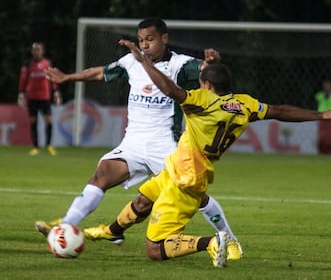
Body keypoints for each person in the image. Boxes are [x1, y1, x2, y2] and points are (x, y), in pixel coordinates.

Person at [112, 39, 331, 267]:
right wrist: (318, 115)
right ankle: (113, 230)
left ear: (206, 85)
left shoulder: (202, 101)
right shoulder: (245, 104)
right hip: (201, 167)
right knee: (152, 200)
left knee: (154, 248)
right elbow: (280, 110)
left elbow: (171, 90)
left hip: (188, 171)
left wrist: (143, 62)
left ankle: (213, 242)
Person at [35, 18, 242, 260]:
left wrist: (211, 63)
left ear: (164, 39)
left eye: (150, 40)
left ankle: (230, 240)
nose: (144, 45)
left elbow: (207, 73)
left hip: (165, 145)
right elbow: (102, 72)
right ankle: (66, 226)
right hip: (132, 143)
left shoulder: (180, 65)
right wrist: (68, 78)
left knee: (197, 197)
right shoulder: (132, 61)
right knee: (101, 175)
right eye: (141, 40)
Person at [18, 42, 61, 156]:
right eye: (34, 50)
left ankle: (48, 145)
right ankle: (35, 147)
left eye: (38, 49)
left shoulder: (47, 63)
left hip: (45, 97)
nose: (36, 52)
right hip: (32, 97)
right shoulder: (27, 64)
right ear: (32, 51)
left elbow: (53, 79)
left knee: (49, 121)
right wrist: (21, 94)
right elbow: (23, 80)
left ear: (42, 51)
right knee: (33, 121)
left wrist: (56, 92)